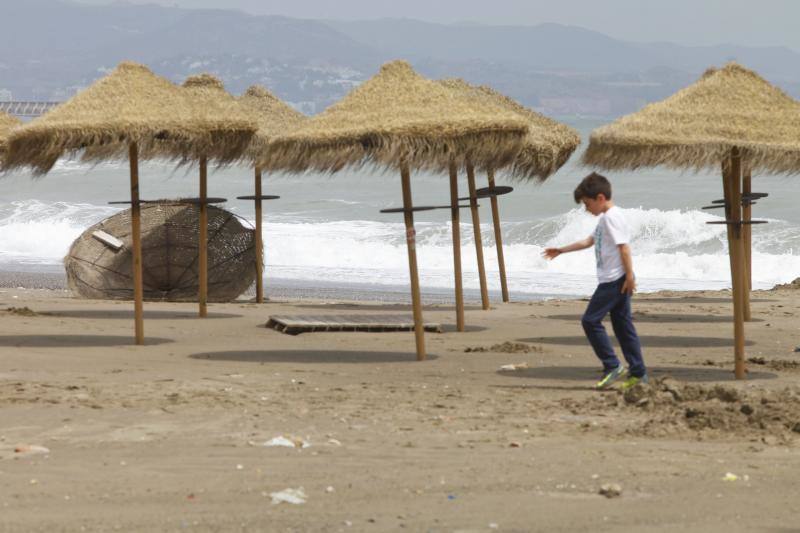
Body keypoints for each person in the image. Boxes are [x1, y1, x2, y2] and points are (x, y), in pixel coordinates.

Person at [543, 172, 647, 390]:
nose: (586, 208)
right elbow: (588, 241)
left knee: (590, 321)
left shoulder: (612, 217)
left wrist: (630, 276)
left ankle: (612, 366)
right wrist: (561, 250)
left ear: (600, 198)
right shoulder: (605, 220)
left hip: (614, 280)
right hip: (615, 279)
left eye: (587, 203)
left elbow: (624, 248)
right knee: (623, 327)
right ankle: (638, 373)